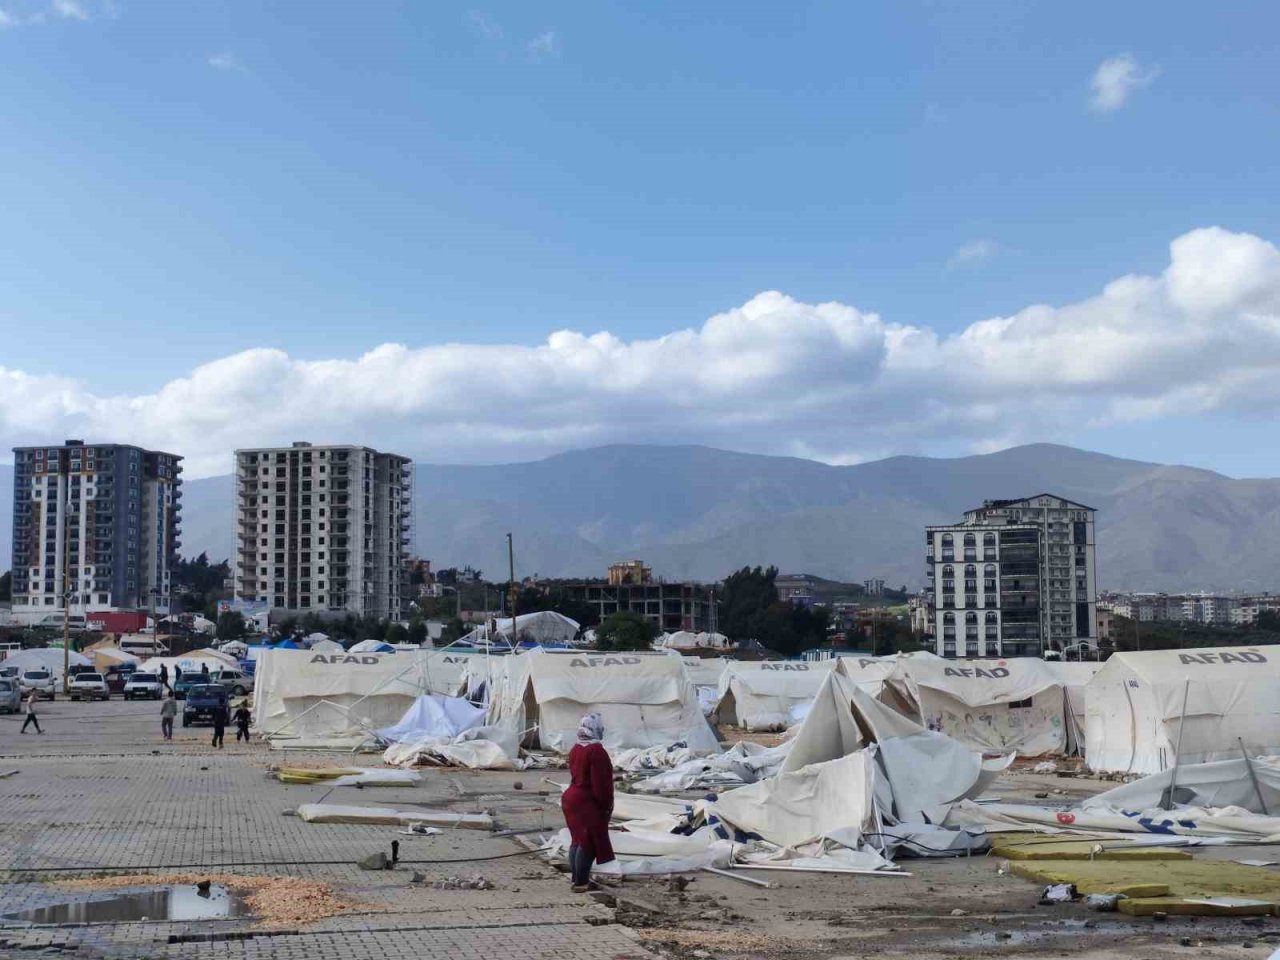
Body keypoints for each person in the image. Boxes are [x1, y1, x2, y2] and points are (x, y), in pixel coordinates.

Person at [560, 712, 615, 892]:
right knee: (588, 841)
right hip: (586, 800)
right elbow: (601, 784)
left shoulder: (575, 749)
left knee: (577, 839)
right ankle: (581, 883)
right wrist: (606, 805)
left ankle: (577, 878)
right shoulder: (596, 751)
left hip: (571, 797)